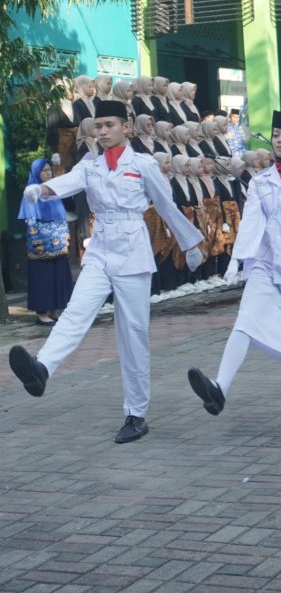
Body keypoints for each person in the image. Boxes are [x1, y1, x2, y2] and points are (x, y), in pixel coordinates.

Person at [9, 100, 205, 444]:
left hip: (132, 252)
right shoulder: (90, 166)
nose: (102, 131)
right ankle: (41, 369)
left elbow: (166, 205)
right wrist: (40, 190)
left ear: (126, 127)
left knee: (133, 335)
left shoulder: (142, 165)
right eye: (98, 126)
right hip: (100, 250)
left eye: (109, 125)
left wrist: (191, 244)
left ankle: (136, 414)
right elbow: (66, 182)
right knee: (76, 311)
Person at [186, 109, 281, 450]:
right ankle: (219, 388)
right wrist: (236, 261)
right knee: (245, 320)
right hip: (266, 264)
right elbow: (252, 223)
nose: (280, 140)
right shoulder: (260, 181)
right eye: (276, 135)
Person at [18, 158, 74, 326]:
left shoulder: (53, 192)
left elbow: (62, 216)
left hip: (58, 244)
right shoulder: (30, 192)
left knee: (59, 276)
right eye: (44, 170)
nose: (48, 173)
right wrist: (37, 242)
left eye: (49, 170)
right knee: (43, 277)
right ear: (36, 172)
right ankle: (42, 313)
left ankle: (54, 310)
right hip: (41, 245)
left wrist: (66, 237)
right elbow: (31, 221)